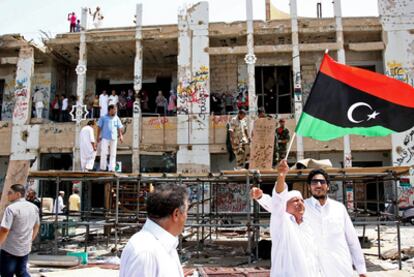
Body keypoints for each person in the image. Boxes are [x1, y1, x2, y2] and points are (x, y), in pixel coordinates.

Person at [252, 167, 367, 277]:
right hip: (315, 270)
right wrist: (261, 197)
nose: (318, 185)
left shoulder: (339, 208)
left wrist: (361, 268)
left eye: (322, 182)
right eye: (314, 182)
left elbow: (352, 240)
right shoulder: (303, 208)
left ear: (328, 186)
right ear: (309, 187)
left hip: (341, 268)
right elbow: (277, 207)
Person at [251, 160, 322, 276]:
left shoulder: (308, 224)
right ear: (285, 206)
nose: (300, 203)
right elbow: (277, 201)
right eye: (295, 200)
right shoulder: (283, 221)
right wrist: (282, 175)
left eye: (302, 201)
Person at [120, 183, 188, 277]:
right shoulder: (145, 251)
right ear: (176, 214)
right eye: (186, 212)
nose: (186, 217)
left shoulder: (165, 245)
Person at [0, 184, 40, 277]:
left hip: (9, 249)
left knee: (7, 274)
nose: (7, 195)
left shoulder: (11, 208)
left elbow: (4, 230)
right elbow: (37, 226)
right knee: (21, 272)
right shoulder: (33, 207)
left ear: (18, 194)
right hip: (25, 248)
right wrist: (30, 240)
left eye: (10, 193)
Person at [97, 104, 124, 171]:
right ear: (110, 110)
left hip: (114, 138)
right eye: (114, 110)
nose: (115, 111)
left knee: (113, 153)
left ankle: (112, 168)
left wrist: (120, 135)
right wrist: (98, 136)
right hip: (105, 138)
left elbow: (119, 127)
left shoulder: (116, 118)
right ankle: (102, 168)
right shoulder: (103, 117)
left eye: (116, 110)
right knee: (103, 152)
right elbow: (99, 127)